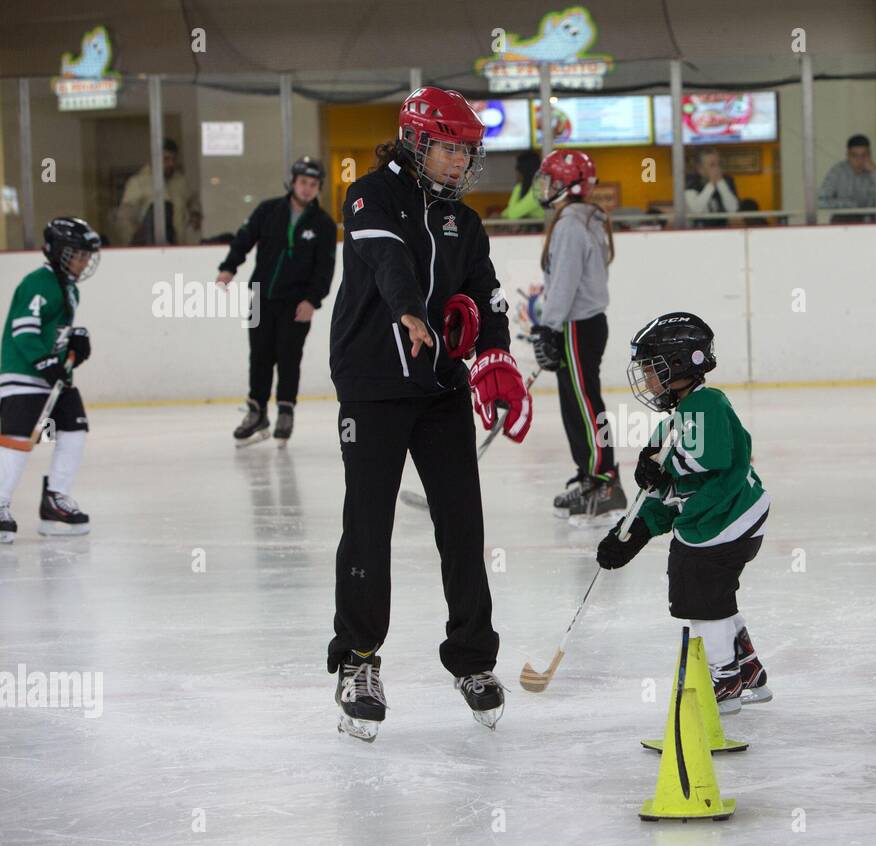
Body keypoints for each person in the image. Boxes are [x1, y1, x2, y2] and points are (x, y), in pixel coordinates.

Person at [328, 87, 532, 740]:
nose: (459, 163)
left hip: (440, 388)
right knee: (368, 525)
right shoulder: (369, 195)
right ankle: (358, 659)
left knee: (462, 526)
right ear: (417, 142)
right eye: (450, 149)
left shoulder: (462, 222)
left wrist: (496, 357)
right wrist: (409, 310)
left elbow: (488, 294)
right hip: (374, 385)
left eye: (467, 152)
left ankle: (472, 661)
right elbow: (386, 259)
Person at [595, 313, 773, 713]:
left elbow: (712, 459)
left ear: (679, 365)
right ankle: (747, 669)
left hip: (726, 522)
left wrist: (665, 467)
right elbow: (667, 492)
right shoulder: (678, 416)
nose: (646, 379)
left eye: (651, 369)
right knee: (715, 597)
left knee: (698, 598)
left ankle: (723, 682)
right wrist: (634, 532)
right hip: (724, 521)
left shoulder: (706, 404)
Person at [527, 147, 626, 523]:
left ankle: (604, 481)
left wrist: (549, 327)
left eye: (552, 179)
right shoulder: (586, 218)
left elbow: (564, 284)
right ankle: (591, 477)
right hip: (584, 325)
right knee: (578, 403)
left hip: (575, 326)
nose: (546, 186)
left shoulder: (571, 224)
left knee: (584, 404)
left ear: (569, 184)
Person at [217, 156, 337, 446]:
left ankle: (286, 410)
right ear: (293, 182)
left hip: (296, 304)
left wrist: (312, 301)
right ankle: (257, 412)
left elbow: (325, 269)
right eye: (303, 183)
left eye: (313, 184)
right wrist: (228, 268)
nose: (307, 189)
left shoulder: (323, 224)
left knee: (288, 356)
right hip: (261, 297)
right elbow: (243, 239)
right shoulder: (268, 210)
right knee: (259, 356)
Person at [0, 218, 101, 543]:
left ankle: (54, 499)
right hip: (23, 373)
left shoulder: (69, 289)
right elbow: (23, 329)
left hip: (52, 374)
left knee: (74, 426)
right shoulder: (37, 282)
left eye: (87, 255)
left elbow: (53, 331)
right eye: (78, 254)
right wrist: (46, 363)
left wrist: (75, 343)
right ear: (58, 252)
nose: (84, 261)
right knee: (18, 437)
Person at [115, 138, 202, 245]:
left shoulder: (181, 182)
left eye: (174, 159)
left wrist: (195, 214)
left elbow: (193, 201)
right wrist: (135, 244)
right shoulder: (138, 183)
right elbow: (125, 219)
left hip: (179, 247)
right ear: (154, 159)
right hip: (150, 249)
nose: (171, 164)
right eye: (166, 159)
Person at [817, 134, 876, 223]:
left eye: (864, 155)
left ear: (870, 155)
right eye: (854, 155)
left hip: (867, 225)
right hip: (841, 224)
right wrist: (848, 204)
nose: (859, 160)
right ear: (847, 155)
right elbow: (820, 202)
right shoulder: (837, 172)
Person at [684, 147, 740, 227]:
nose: (717, 168)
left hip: (722, 231)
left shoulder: (726, 181)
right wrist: (711, 184)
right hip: (698, 233)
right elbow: (696, 210)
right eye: (712, 165)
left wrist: (721, 183)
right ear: (700, 169)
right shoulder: (691, 183)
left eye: (719, 164)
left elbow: (733, 209)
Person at [500, 150, 545, 227]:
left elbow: (512, 214)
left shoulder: (539, 189)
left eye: (518, 171)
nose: (516, 175)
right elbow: (510, 212)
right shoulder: (533, 187)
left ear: (525, 171)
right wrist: (502, 215)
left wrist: (518, 187)